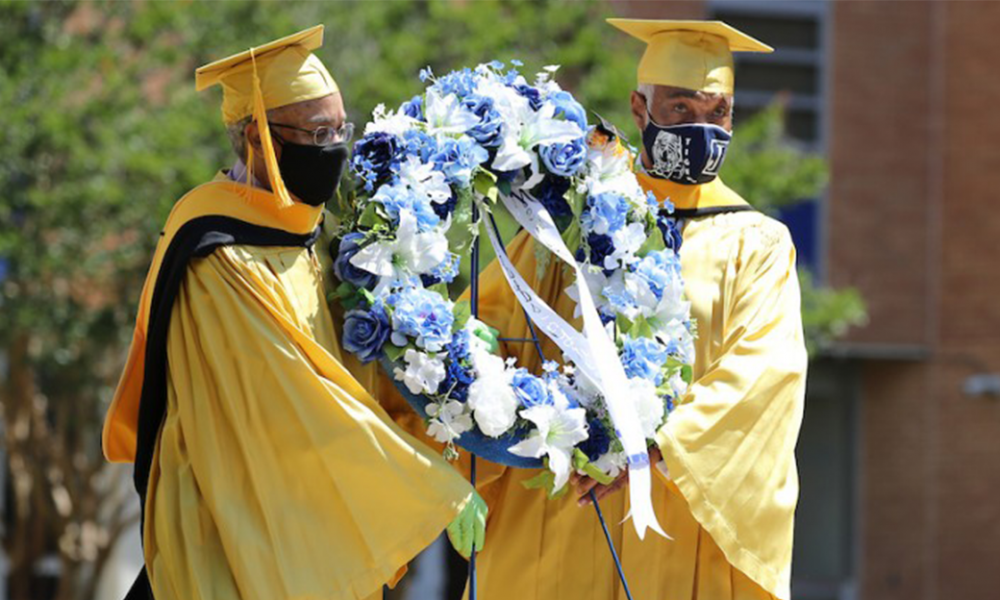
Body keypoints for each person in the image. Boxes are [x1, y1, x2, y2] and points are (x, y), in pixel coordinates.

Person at [101, 26, 485, 600]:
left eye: (340, 130)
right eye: (318, 132)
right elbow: (295, 395)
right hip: (226, 523)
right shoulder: (218, 256)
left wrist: (447, 358)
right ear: (258, 137)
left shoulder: (311, 237)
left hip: (299, 523)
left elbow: (357, 371)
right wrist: (432, 488)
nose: (333, 147)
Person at [431, 19, 806, 600]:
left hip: (679, 520)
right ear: (639, 108)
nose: (703, 127)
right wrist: (469, 411)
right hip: (559, 518)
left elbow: (762, 378)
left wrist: (649, 449)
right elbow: (488, 329)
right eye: (681, 108)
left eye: (719, 112)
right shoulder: (574, 223)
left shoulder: (754, 244)